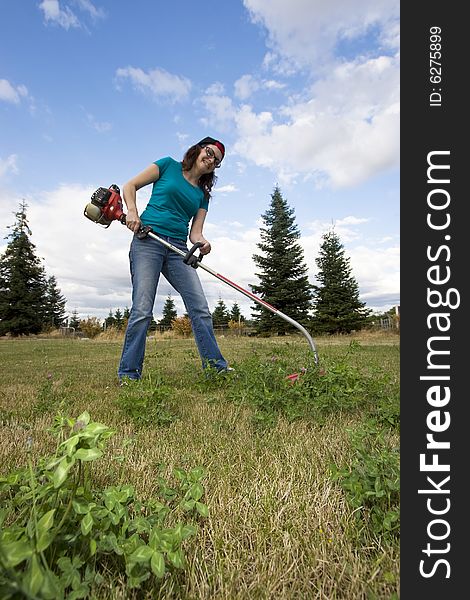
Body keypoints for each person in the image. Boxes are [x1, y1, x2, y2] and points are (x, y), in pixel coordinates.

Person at [117, 137, 232, 383]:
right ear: (199, 149)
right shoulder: (167, 165)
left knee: (200, 309)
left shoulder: (202, 195)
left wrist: (203, 243)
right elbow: (130, 185)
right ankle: (128, 374)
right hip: (148, 239)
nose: (211, 160)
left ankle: (216, 369)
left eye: (216, 161)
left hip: (178, 248)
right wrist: (132, 212)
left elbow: (195, 233)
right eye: (209, 152)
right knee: (142, 309)